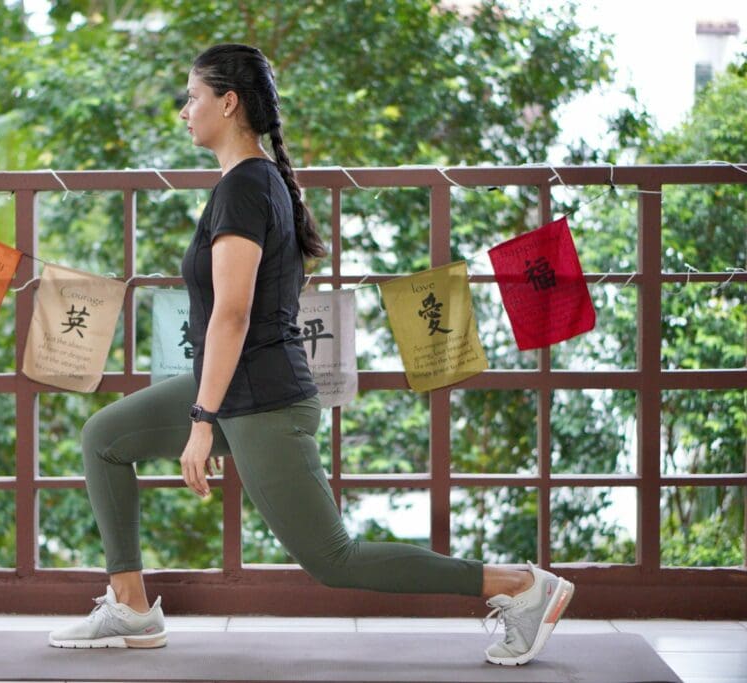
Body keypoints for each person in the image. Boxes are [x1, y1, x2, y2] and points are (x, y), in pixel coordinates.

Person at [47, 43, 574, 666]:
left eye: (192, 97)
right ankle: (130, 607)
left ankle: (520, 585)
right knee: (105, 435)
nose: (183, 110)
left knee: (333, 560)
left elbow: (235, 312)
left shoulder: (245, 188)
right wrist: (208, 409)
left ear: (228, 101)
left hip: (263, 402)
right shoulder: (253, 181)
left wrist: (200, 421)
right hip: (237, 391)